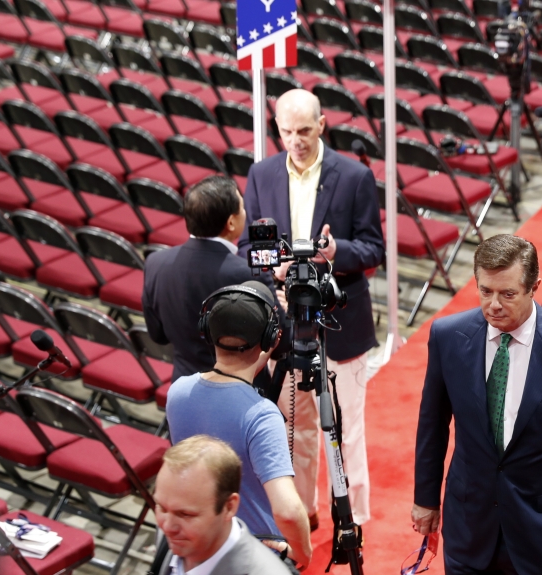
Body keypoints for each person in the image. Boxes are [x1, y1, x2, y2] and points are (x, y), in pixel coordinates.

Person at [412, 234, 542, 575]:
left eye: (507, 294)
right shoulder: (448, 337)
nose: (494, 304)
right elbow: (432, 424)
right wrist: (425, 498)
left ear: (534, 287)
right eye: (485, 291)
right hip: (469, 525)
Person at [238, 88, 384, 528]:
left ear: (322, 125)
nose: (296, 140)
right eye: (287, 131)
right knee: (295, 426)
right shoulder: (261, 175)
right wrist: (274, 277)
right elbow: (249, 246)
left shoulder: (355, 177)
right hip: (286, 319)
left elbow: (374, 247)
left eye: (304, 130)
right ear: (277, 130)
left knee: (348, 428)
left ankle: (355, 517)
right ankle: (304, 511)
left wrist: (337, 251)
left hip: (342, 320)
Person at [166, 281, 312, 569]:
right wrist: (303, 551)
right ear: (271, 338)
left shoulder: (178, 391)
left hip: (199, 548)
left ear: (208, 332)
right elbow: (288, 511)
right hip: (250, 554)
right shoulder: (261, 415)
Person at [143, 176, 279, 388]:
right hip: (240, 394)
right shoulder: (248, 274)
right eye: (242, 208)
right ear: (231, 222)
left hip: (185, 389)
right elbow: (281, 343)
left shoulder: (155, 262)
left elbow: (157, 335)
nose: (245, 213)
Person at [154, 435, 292, 574]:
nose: (167, 527)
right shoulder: (175, 535)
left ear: (229, 507)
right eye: (162, 508)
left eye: (185, 515)